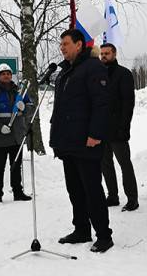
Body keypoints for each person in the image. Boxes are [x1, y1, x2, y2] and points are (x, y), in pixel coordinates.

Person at [50, 29, 113, 253]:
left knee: (92, 190)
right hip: (68, 142)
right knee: (75, 190)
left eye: (66, 44)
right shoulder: (66, 71)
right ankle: (81, 229)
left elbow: (102, 104)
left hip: (87, 142)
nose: (62, 48)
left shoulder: (93, 67)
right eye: (61, 45)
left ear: (79, 45)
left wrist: (95, 134)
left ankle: (104, 235)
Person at [0, 63, 33, 206]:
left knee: (16, 165)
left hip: (17, 135)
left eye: (9, 73)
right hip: (1, 136)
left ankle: (18, 192)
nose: (7, 75)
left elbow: (30, 107)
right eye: (3, 73)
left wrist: (24, 109)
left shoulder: (19, 92)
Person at [99, 43, 139, 212]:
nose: (103, 56)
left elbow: (128, 103)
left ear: (114, 54)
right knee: (105, 164)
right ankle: (112, 196)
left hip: (118, 129)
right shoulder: (98, 74)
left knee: (124, 164)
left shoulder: (124, 74)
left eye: (107, 53)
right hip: (101, 129)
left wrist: (124, 127)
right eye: (101, 54)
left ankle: (132, 198)